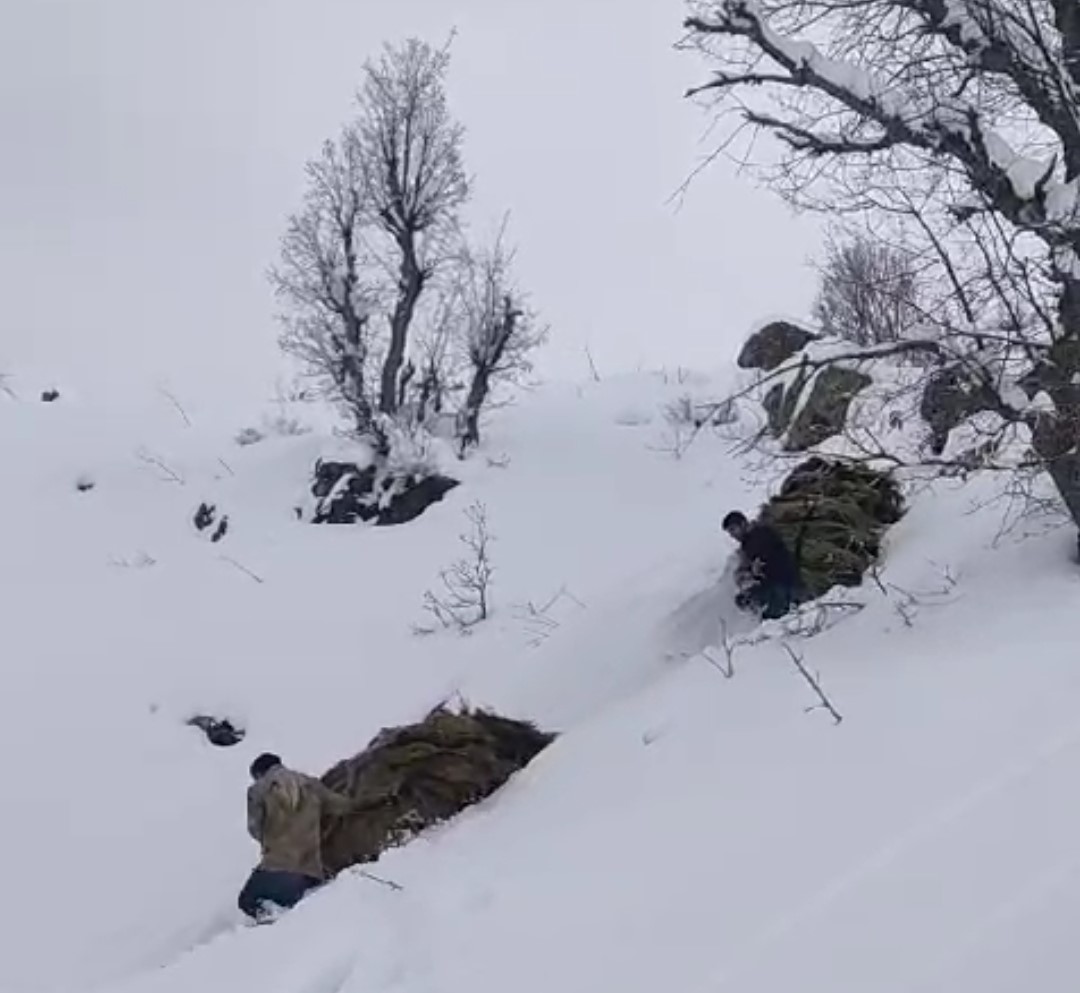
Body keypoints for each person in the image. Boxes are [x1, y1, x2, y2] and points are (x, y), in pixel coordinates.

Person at [238, 752, 353, 921]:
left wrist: (270, 840)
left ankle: (272, 928)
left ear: (259, 773)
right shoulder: (311, 784)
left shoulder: (258, 790)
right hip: (311, 871)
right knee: (291, 909)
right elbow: (343, 806)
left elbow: (255, 829)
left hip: (277, 866)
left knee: (247, 902)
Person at [722, 510, 801, 620]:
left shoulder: (761, 534)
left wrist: (752, 571)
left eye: (733, 530)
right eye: (729, 532)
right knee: (744, 599)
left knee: (772, 619)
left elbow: (764, 560)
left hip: (783, 583)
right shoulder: (747, 543)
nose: (732, 535)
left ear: (743, 524)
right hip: (770, 583)